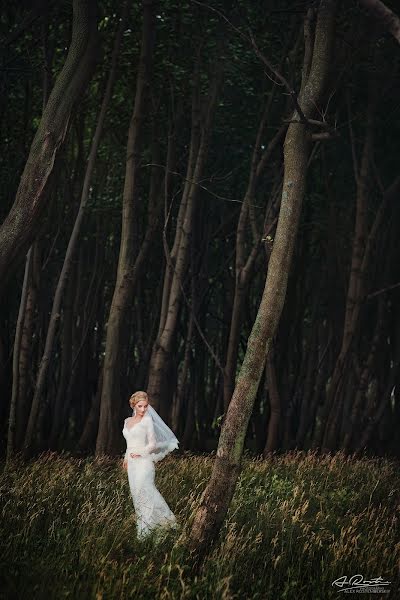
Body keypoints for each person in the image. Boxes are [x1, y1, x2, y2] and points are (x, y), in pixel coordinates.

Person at [122, 390, 179, 539]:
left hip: (144, 462)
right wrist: (126, 458)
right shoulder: (127, 421)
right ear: (134, 405)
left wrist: (140, 452)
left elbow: (153, 444)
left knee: (147, 492)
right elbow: (129, 444)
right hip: (132, 464)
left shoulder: (147, 420)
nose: (143, 409)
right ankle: (148, 527)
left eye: (145, 406)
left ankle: (164, 524)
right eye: (140, 406)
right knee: (137, 495)